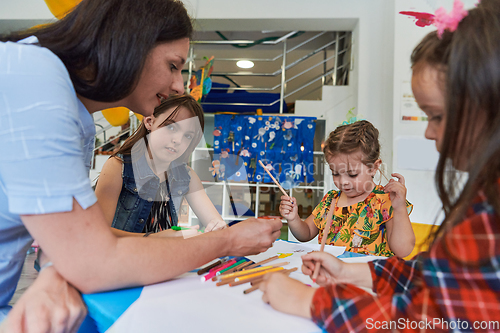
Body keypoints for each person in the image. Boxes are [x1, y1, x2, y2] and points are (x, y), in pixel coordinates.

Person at [0, 0, 282, 331]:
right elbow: (95, 259)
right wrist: (227, 241)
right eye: (174, 65)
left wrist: (61, 270)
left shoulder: (77, 118)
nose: (179, 86)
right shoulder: (40, 88)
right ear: (130, 42)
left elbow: (67, 243)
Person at [259, 1, 500, 330]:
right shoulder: (330, 201)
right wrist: (348, 271)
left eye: (438, 116)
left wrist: (309, 301)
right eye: (336, 173)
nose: (429, 132)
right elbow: (434, 274)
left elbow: (431, 320)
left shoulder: (483, 210)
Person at [95, 94, 227, 236]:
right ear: (149, 122)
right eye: (170, 127)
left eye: (188, 136)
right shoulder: (119, 166)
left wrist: (218, 227)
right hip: (123, 257)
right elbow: (98, 233)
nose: (178, 140)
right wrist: (158, 239)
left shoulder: (186, 176)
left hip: (165, 257)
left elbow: (216, 224)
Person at [279, 120, 415, 258]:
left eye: (352, 174)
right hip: (330, 276)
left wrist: (399, 208)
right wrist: (293, 218)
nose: (343, 182)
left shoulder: (385, 201)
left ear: (373, 168)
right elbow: (306, 233)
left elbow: (403, 251)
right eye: (335, 173)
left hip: (368, 278)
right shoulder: (330, 200)